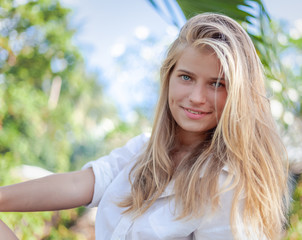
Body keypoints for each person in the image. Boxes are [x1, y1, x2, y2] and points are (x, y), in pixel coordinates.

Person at [0, 13, 290, 239]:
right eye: (186, 77)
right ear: (169, 78)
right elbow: (79, 183)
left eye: (217, 84)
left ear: (239, 94)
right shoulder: (140, 150)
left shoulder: (229, 184)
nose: (197, 98)